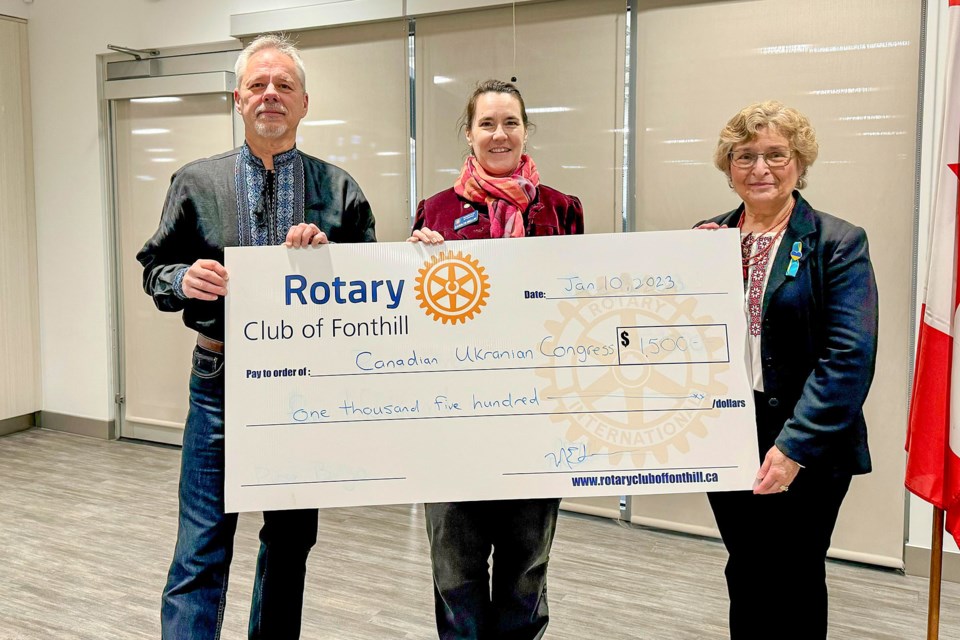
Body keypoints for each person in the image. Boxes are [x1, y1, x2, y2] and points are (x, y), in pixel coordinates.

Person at [137, 34, 375, 639]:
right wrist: (182, 278)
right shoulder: (195, 182)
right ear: (237, 99)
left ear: (304, 104)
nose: (271, 94)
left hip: (303, 389)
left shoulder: (339, 190)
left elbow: (372, 290)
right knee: (200, 546)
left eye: (284, 85)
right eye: (258, 85)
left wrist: (331, 267)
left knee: (290, 544)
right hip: (218, 384)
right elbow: (154, 269)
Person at [408, 79, 583, 640]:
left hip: (536, 419)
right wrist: (416, 264)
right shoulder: (434, 210)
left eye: (510, 122)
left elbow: (580, 304)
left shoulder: (561, 210)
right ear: (469, 132)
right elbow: (410, 317)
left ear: (526, 130)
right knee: (454, 568)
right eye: (488, 123)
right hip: (454, 422)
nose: (499, 134)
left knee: (525, 570)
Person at [696, 101, 878, 639]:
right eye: (745, 156)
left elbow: (848, 356)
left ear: (800, 162)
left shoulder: (836, 242)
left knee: (794, 575)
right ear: (728, 168)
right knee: (746, 569)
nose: (761, 169)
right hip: (729, 430)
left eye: (776, 155)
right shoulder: (705, 240)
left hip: (809, 439)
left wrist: (794, 446)